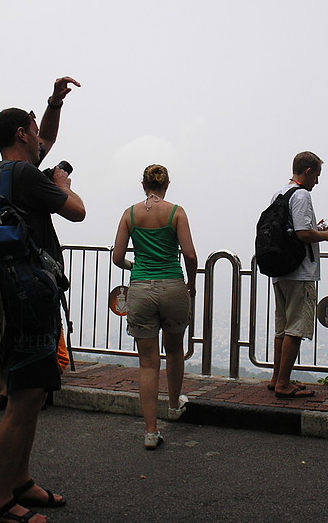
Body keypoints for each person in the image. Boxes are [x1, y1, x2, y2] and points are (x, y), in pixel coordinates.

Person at [0, 76, 85, 523]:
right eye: (34, 127)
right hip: (29, 296)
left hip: (9, 292)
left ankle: (21, 481)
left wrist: (54, 103)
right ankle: (1, 502)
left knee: (31, 390)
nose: (41, 136)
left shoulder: (1, 174)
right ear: (23, 134)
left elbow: (47, 139)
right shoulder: (28, 175)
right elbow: (77, 210)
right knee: (23, 400)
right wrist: (62, 180)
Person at [112, 164, 197, 450]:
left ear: (143, 185)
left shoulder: (130, 214)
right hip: (173, 285)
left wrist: (133, 266)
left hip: (141, 289)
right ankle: (174, 405)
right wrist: (192, 283)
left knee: (147, 362)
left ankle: (150, 431)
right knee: (174, 350)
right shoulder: (176, 212)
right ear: (167, 185)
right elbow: (189, 254)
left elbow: (117, 256)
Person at [267, 151, 328, 399]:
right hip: (300, 271)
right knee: (295, 328)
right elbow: (302, 234)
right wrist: (326, 235)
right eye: (316, 175)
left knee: (282, 327)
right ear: (308, 172)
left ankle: (276, 376)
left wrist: (312, 229)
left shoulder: (279, 193)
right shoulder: (302, 195)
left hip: (280, 269)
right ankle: (284, 383)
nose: (317, 181)